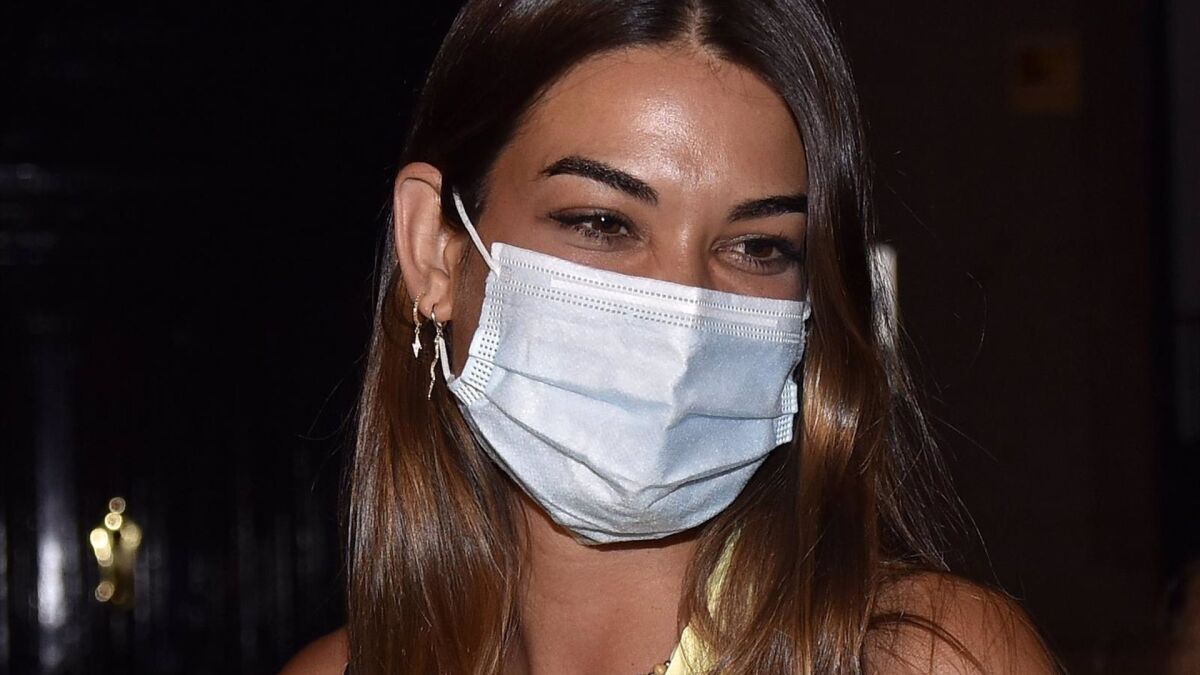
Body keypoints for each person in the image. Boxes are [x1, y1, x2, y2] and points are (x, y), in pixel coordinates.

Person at [282, 1, 1062, 673]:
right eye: (603, 222)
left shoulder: (925, 656)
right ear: (434, 249)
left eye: (758, 247)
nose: (684, 313)